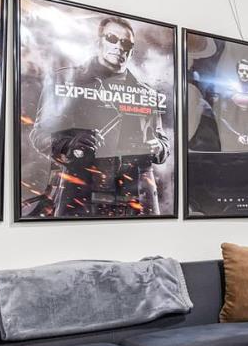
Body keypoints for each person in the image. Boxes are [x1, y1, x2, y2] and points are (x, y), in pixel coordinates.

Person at [28, 16, 171, 217]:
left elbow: (162, 142)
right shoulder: (67, 80)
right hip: (81, 195)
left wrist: (158, 147)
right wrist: (70, 145)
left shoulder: (146, 93)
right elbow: (40, 136)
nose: (119, 46)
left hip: (137, 200)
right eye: (112, 38)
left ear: (131, 49)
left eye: (126, 42)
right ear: (99, 42)